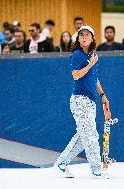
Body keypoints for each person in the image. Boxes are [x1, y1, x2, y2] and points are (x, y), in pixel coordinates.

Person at [53, 25, 112, 178]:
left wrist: (103, 95)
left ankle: (62, 163)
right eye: (81, 35)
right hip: (80, 100)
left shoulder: (93, 56)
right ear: (78, 39)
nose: (84, 37)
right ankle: (97, 169)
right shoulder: (77, 55)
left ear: (92, 38)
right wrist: (91, 63)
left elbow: (94, 78)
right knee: (91, 135)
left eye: (87, 35)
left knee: (83, 136)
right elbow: (76, 75)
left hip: (92, 101)